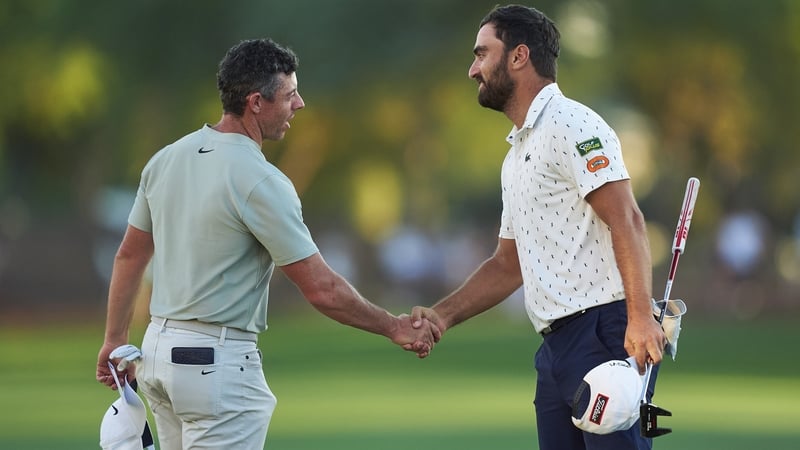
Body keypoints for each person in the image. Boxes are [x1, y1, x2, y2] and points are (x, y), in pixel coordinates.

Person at [96, 38, 440, 450]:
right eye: (290, 94)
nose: (300, 104)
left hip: (156, 355)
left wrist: (114, 340)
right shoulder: (260, 180)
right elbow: (321, 289)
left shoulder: (166, 159)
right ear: (256, 103)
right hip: (214, 366)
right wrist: (393, 326)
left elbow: (130, 255)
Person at [410, 5, 667, 450]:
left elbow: (627, 219)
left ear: (518, 56)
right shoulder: (515, 156)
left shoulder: (573, 123)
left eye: (482, 54)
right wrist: (441, 316)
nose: (473, 69)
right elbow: (508, 264)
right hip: (555, 348)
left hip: (605, 334)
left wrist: (641, 316)